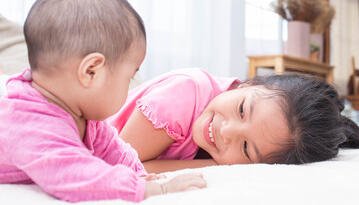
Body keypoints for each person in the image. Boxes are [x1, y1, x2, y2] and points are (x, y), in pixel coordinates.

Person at [0, 0, 206, 203]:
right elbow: (76, 177)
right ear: (91, 71)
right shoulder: (32, 124)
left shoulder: (84, 116)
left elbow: (113, 150)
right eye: (129, 77)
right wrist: (157, 191)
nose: (130, 84)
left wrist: (139, 175)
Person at [107, 68, 359, 173]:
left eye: (247, 148)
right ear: (250, 83)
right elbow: (119, 167)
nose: (226, 131)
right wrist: (215, 166)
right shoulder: (183, 94)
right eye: (241, 110)